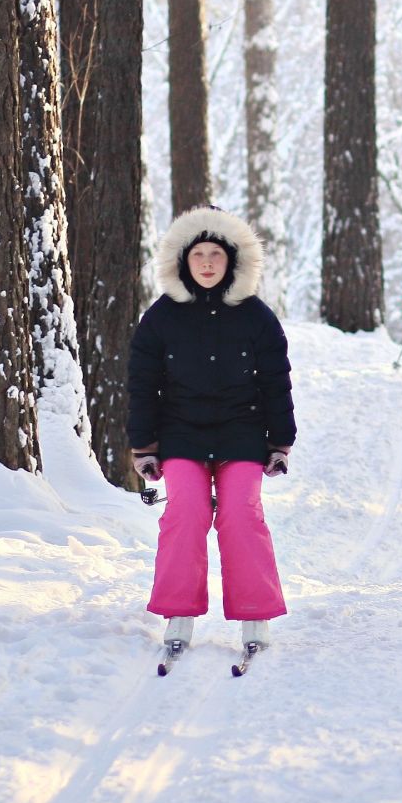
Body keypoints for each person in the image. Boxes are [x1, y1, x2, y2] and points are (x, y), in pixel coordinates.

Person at [127, 205, 293, 663]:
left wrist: (280, 443)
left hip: (242, 435)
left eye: (214, 255)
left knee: (241, 513)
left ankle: (255, 616)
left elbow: (276, 380)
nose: (205, 263)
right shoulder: (161, 318)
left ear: (231, 261)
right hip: (180, 436)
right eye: (197, 254)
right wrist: (144, 446)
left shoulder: (257, 317)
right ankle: (179, 615)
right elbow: (142, 385)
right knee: (186, 512)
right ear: (183, 260)